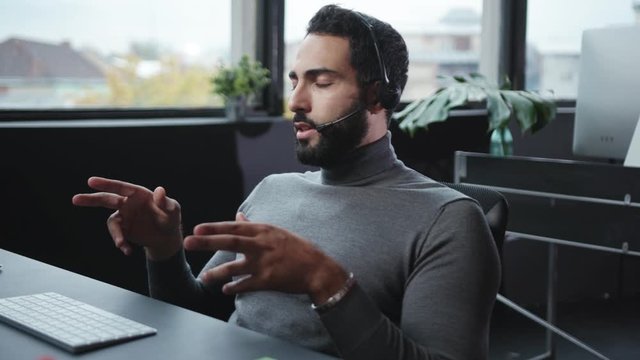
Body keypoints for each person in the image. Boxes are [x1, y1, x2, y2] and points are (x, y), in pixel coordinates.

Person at [73, 5, 500, 359]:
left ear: (375, 96)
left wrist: (325, 281)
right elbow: (197, 314)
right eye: (296, 80)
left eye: (322, 81)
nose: (295, 101)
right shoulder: (274, 190)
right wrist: (163, 251)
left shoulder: (448, 220)